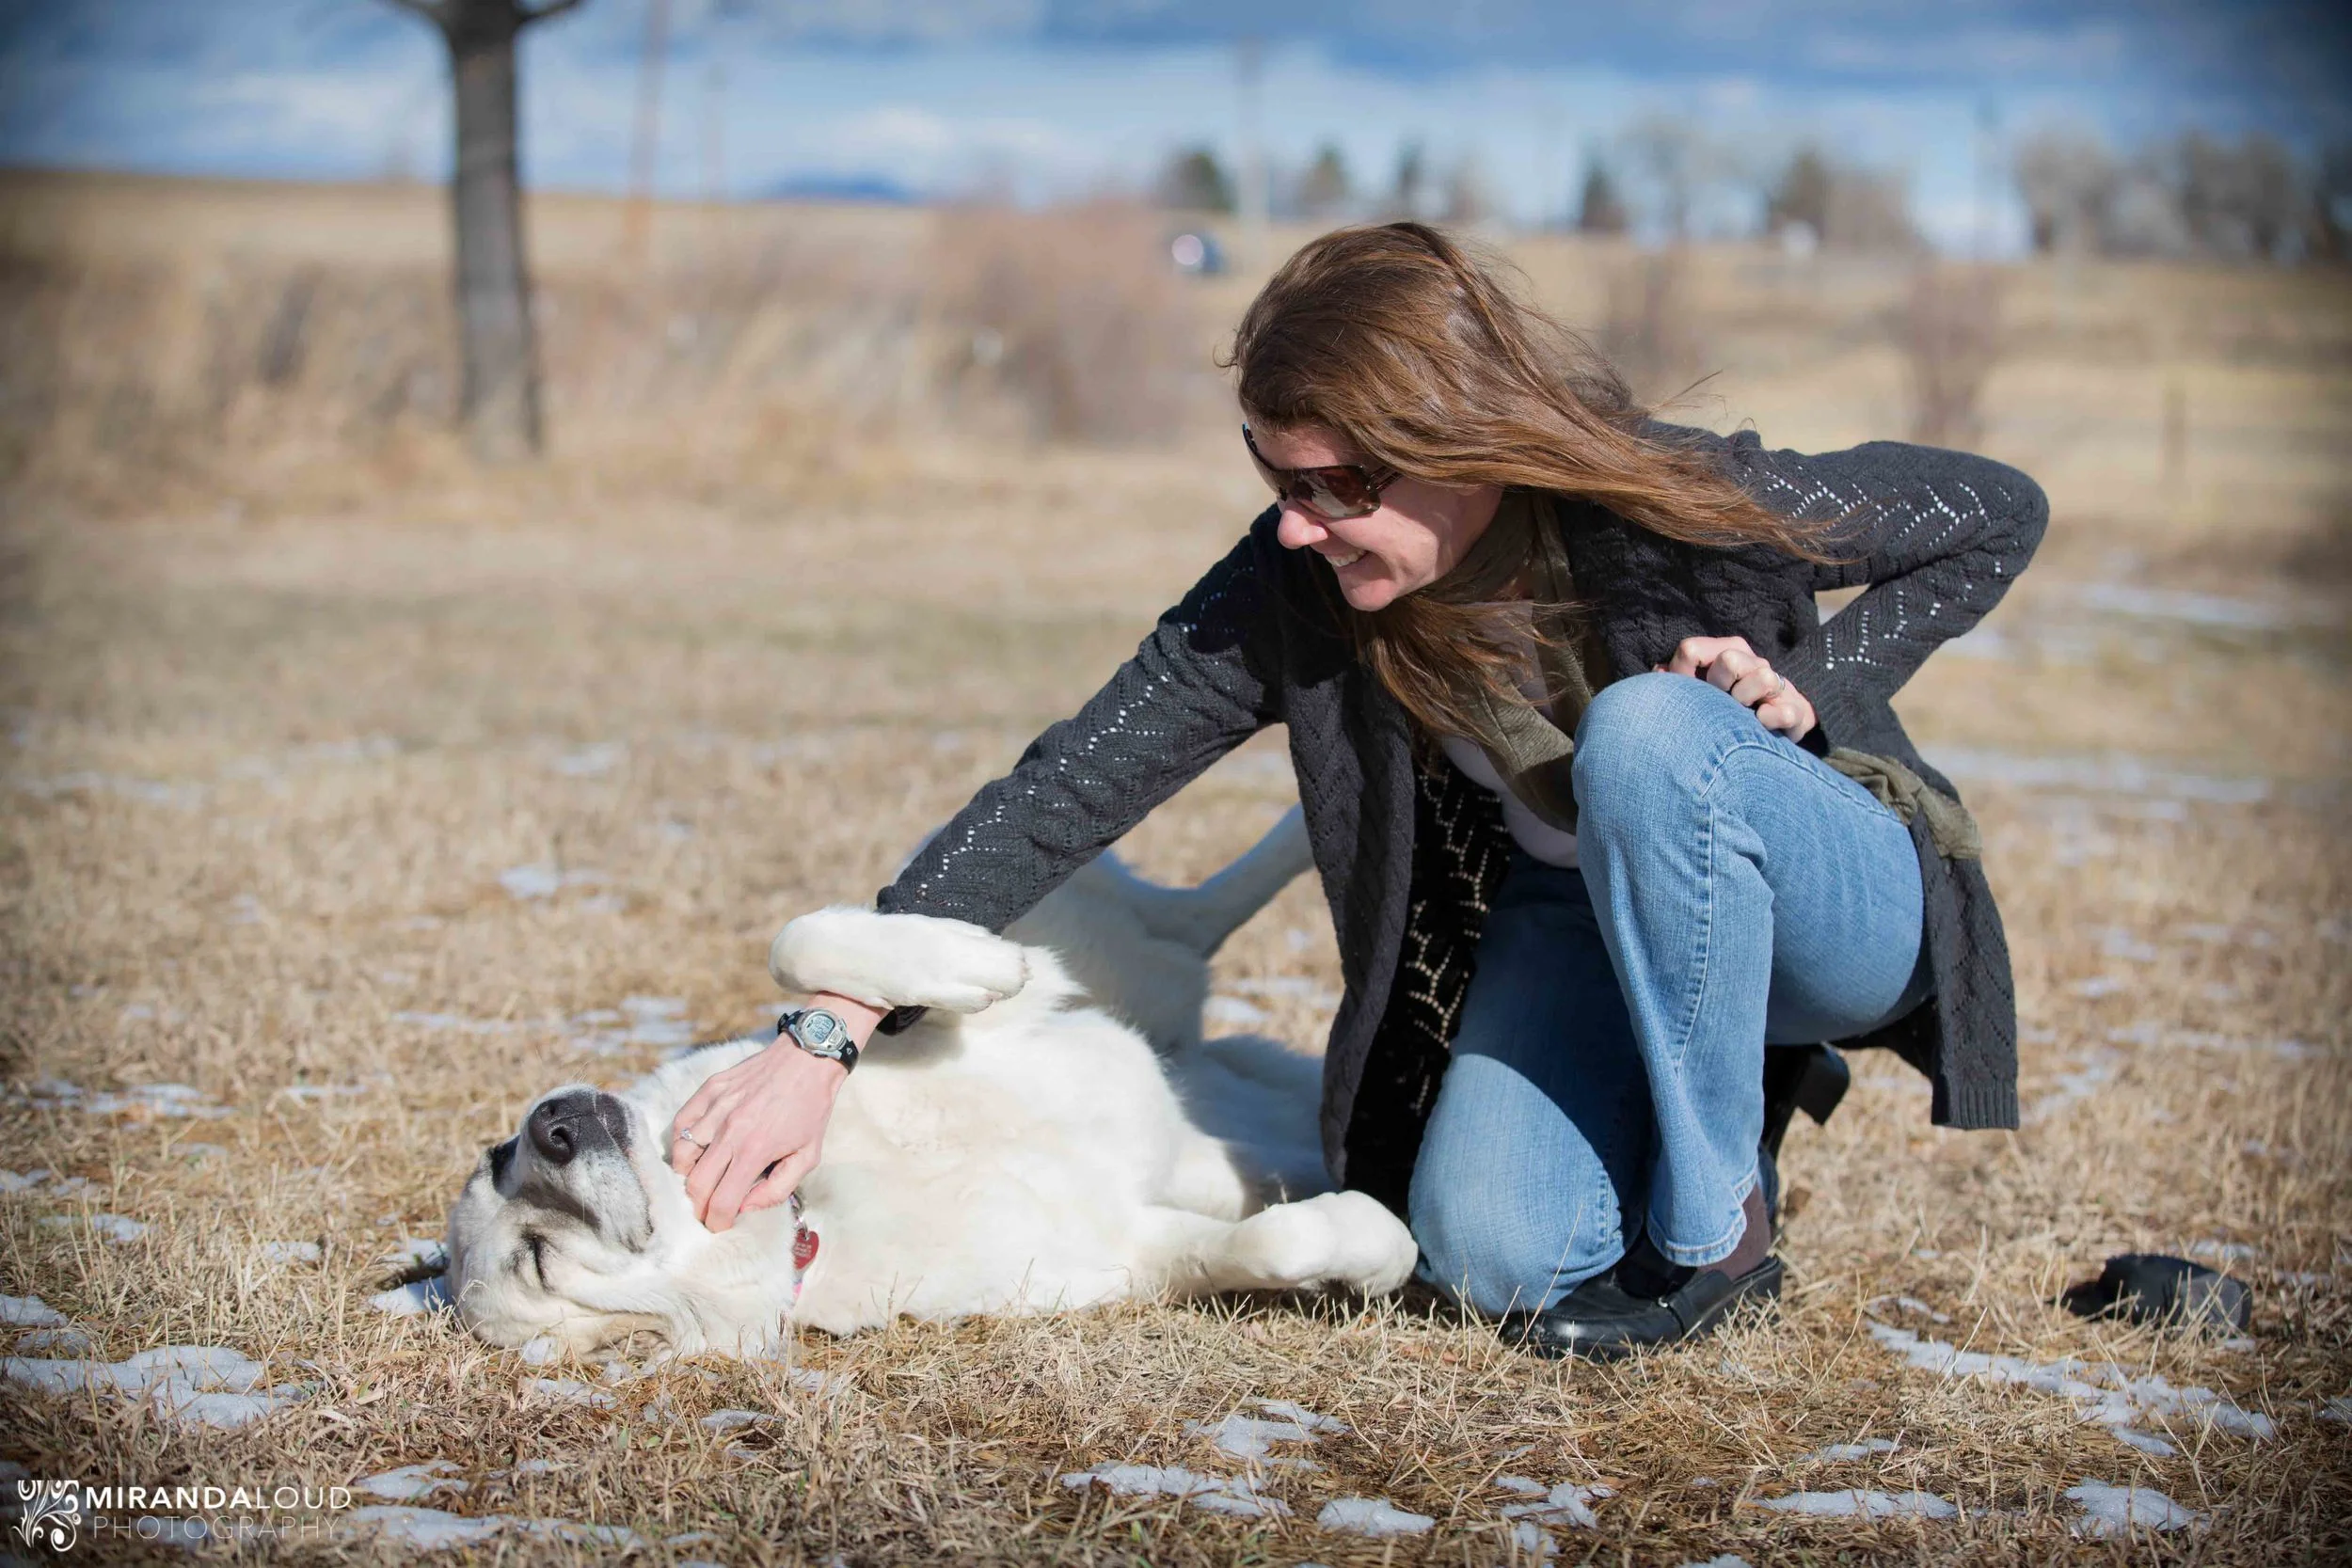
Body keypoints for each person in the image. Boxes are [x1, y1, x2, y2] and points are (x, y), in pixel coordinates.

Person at [665, 222, 2047, 1357]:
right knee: (1495, 1253)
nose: (1293, 518)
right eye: (1274, 475)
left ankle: (1717, 1234)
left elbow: (1998, 512)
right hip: (1587, 919)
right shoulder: (1297, 585)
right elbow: (1069, 781)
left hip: (1832, 901)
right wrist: (829, 1021)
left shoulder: (1676, 498)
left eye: (1333, 482)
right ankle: (1703, 1075)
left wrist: (1812, 679)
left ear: (1458, 442)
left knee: (1646, 736)